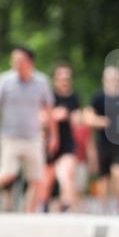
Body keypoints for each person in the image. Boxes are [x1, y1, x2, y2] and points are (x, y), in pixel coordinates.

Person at [0, 47, 56, 213]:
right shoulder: (4, 81)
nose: (15, 64)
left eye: (19, 60)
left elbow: (49, 110)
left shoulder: (41, 82)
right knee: (8, 172)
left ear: (30, 62)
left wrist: (53, 135)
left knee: (36, 178)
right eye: (13, 60)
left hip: (33, 136)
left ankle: (27, 212)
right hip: (10, 136)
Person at [84, 65, 119, 214]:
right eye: (110, 78)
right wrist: (103, 121)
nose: (113, 81)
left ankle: (118, 202)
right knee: (103, 177)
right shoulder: (98, 97)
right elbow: (88, 118)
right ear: (104, 80)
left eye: (116, 78)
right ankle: (104, 208)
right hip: (102, 142)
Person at [38, 63, 82, 212]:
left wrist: (73, 116)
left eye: (67, 78)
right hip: (48, 144)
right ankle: (42, 208)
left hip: (67, 144)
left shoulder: (73, 98)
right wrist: (54, 115)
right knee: (45, 182)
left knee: (66, 175)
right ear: (55, 79)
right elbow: (40, 118)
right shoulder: (48, 97)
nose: (64, 81)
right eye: (61, 77)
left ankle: (67, 207)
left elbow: (77, 119)